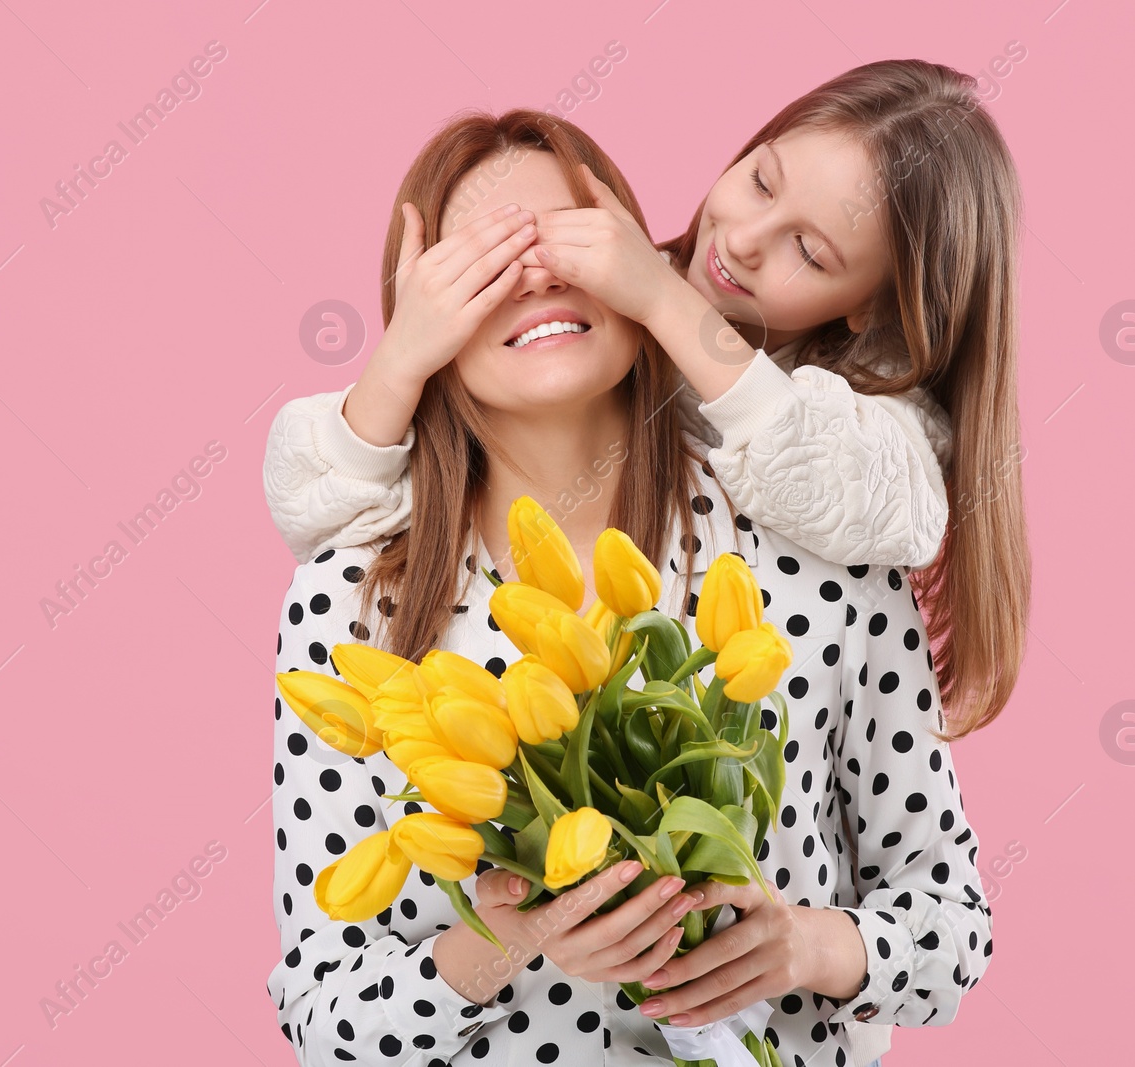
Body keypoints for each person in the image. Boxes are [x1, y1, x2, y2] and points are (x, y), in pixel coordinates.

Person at [267, 108, 993, 1067]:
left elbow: (953, 920)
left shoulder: (821, 545)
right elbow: (324, 1018)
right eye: (478, 262)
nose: (530, 273)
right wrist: (506, 938)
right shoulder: (354, 602)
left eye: (568, 239)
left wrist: (803, 946)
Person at [265, 59, 1030, 749]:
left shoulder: (865, 411)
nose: (746, 238)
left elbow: (869, 494)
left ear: (872, 309)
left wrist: (662, 301)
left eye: (811, 251)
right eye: (761, 180)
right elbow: (310, 501)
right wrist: (404, 352)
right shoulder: (606, 305)